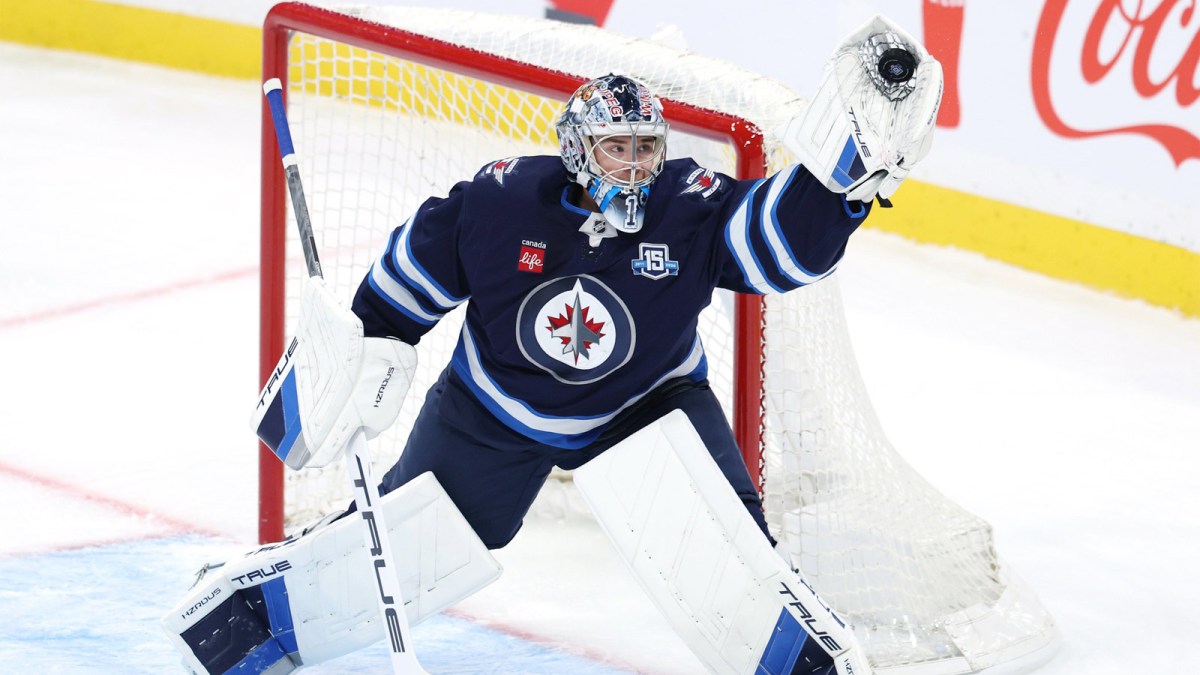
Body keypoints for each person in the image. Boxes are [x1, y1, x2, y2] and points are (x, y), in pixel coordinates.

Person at [167, 16, 942, 674]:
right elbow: (409, 276)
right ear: (578, 151)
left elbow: (778, 246)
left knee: (731, 559)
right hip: (495, 406)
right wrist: (365, 351)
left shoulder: (688, 206)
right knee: (401, 553)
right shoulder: (502, 204)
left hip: (648, 402)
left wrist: (840, 186)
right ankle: (254, 609)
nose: (637, 168)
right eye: (617, 150)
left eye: (647, 149)